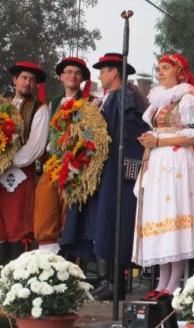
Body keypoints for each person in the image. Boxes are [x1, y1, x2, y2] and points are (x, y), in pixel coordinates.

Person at [60, 52, 148, 301]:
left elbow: (133, 133)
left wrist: (129, 169)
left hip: (116, 171)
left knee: (112, 222)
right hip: (102, 169)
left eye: (103, 70)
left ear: (115, 73)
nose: (99, 75)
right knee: (99, 222)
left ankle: (114, 282)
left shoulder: (126, 97)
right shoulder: (107, 98)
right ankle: (104, 280)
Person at [133, 53, 194, 300]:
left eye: (166, 68)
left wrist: (158, 140)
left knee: (174, 216)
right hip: (158, 160)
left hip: (176, 162)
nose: (160, 72)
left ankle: (173, 283)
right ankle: (162, 281)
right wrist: (151, 142)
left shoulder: (188, 100)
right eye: (159, 68)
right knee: (160, 218)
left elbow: (193, 137)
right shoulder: (158, 102)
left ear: (179, 72)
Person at [0, 62, 49, 267]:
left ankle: (17, 276)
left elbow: (36, 146)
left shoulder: (40, 109)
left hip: (20, 173)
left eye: (31, 80)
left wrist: (9, 161)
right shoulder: (0, 106)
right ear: (14, 80)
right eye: (23, 78)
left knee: (18, 223)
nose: (27, 83)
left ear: (35, 84)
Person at [34, 57, 93, 254]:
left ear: (82, 79)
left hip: (76, 163)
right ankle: (47, 257)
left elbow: (91, 133)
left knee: (69, 211)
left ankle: (67, 261)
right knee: (45, 204)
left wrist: (81, 153)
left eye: (77, 73)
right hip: (54, 161)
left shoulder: (90, 102)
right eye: (68, 72)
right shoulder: (55, 102)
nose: (72, 76)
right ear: (61, 76)